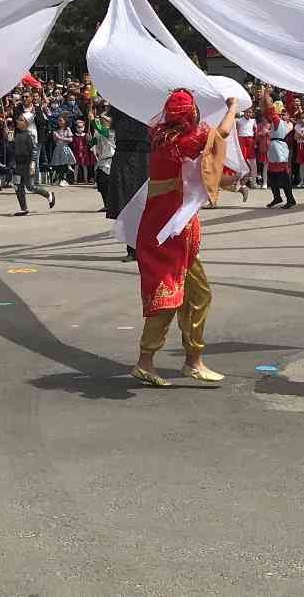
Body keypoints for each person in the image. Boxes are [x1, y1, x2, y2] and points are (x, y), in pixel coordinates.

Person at [129, 90, 238, 387]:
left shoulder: (166, 139)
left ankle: (193, 360)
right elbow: (221, 134)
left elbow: (195, 174)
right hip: (166, 235)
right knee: (168, 299)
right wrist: (232, 108)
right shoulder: (182, 141)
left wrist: (229, 181)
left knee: (197, 295)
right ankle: (147, 361)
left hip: (174, 233)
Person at [107, 107, 149, 258]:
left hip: (144, 158)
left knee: (144, 205)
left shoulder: (149, 107)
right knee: (127, 204)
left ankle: (144, 248)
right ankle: (132, 248)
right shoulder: (120, 105)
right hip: (124, 158)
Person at [10, 115, 56, 217]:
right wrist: (10, 141)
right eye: (18, 119)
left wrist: (32, 163)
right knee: (17, 186)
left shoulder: (29, 135)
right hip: (18, 165)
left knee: (30, 187)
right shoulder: (17, 135)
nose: (18, 121)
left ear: (26, 123)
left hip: (27, 164)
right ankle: (23, 208)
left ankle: (48, 194)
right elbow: (13, 149)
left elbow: (34, 150)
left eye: (21, 120)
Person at [264, 100, 297, 209]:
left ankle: (290, 199)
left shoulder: (278, 120)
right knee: (271, 175)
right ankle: (277, 197)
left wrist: (266, 95)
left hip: (279, 149)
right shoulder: (277, 122)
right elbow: (267, 113)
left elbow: (270, 110)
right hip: (274, 149)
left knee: (283, 176)